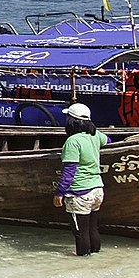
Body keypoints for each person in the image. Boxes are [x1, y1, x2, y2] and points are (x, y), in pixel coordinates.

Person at [55, 102, 109, 256]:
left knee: (80, 233)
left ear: (72, 122)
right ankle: (96, 260)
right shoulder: (96, 135)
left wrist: (59, 193)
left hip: (80, 194)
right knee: (92, 228)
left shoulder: (72, 142)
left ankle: (82, 263)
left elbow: (69, 171)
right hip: (97, 190)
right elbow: (109, 141)